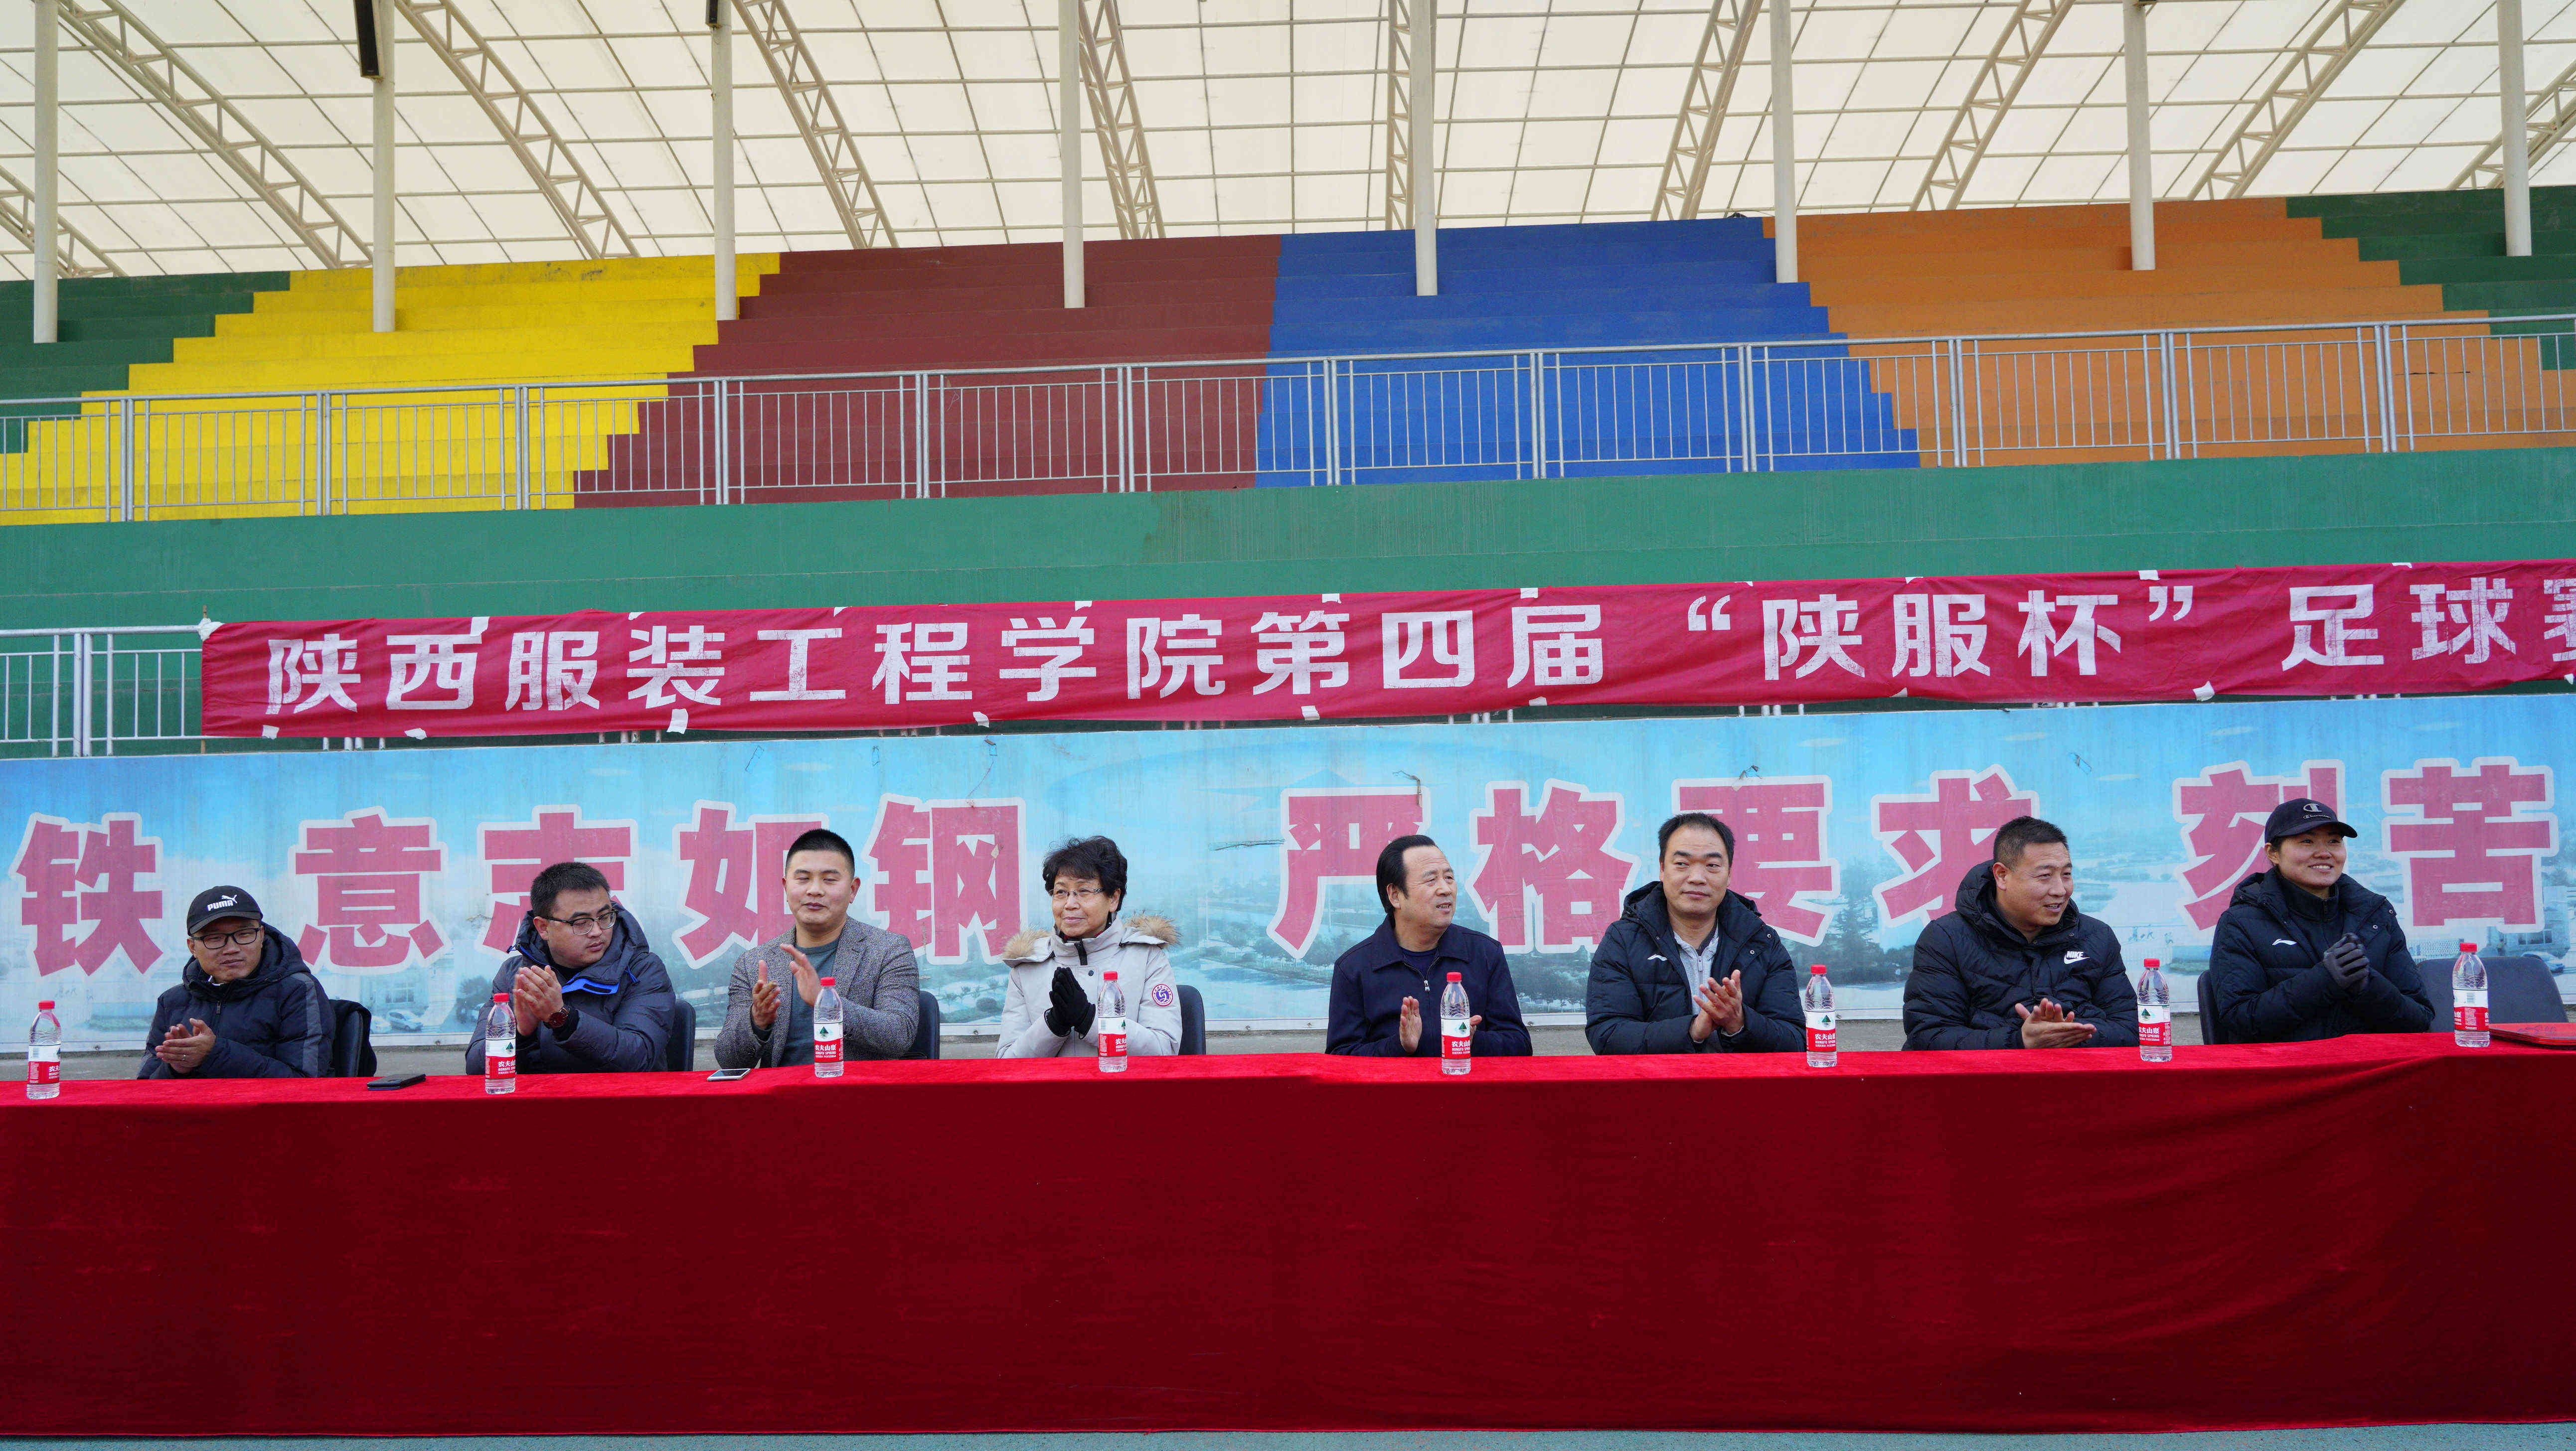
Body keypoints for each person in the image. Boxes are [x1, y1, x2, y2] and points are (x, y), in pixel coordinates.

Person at [2205, 798, 2432, 1042]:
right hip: (2288, 1065)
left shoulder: (2376, 915)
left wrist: (2368, 986)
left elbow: (2419, 1019)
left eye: (2334, 842)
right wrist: (2325, 980)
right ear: (2273, 853)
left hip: (2371, 1063)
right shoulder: (2240, 922)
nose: (2324, 853)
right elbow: (2240, 1019)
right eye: (2307, 841)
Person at [1903, 816, 2138, 1050]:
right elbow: (1929, 1036)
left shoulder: (2096, 936)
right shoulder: (1946, 938)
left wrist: (2068, 1035)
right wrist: (2020, 1041)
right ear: (2002, 876)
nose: (2060, 890)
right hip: (1988, 1073)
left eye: (2066, 874)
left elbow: (2132, 1028)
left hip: (2078, 1070)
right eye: (2045, 876)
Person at [1586, 811, 1803, 1053]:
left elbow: (1795, 1039)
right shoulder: (1623, 940)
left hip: (1737, 1078)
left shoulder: (1762, 942)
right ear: (1662, 869)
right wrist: (1692, 1031)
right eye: (1682, 864)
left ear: (1729, 874)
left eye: (1712, 866)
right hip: (1658, 1078)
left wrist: (1740, 1023)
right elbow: (1607, 1035)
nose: (1697, 878)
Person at [714, 828, 920, 1069]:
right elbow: (728, 1060)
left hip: (857, 1089)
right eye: (803, 879)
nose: (815, 890)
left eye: (829, 880)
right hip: (783, 1091)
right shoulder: (754, 964)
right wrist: (757, 1021)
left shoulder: (889, 950)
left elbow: (900, 1035)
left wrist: (826, 1002)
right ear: (785, 887)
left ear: (853, 890)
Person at [1327, 834, 1531, 1057]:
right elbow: (1340, 1056)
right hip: (1397, 1082)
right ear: (1395, 895)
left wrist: (1472, 1040)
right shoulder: (1354, 968)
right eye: (1431, 880)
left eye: (1449, 878)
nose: (1445, 889)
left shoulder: (1485, 954)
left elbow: (1519, 1044)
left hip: (1464, 1080)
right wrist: (1398, 1046)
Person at [466, 861, 676, 1074]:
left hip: (620, 1095)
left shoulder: (643, 970)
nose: (597, 931)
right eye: (581, 922)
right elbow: (476, 1070)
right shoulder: (516, 974)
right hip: (539, 1095)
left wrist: (563, 1019)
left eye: (605, 917)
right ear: (543, 928)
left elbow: (638, 1057)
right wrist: (520, 1033)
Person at [997, 836, 1182, 1059]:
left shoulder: (1147, 958)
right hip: (1053, 1085)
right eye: (1061, 892)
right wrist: (1053, 1024)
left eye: (1083, 891)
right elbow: (1006, 1062)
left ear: (1113, 899)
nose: (1070, 904)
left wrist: (1089, 1019)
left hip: (1122, 1082)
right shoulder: (1027, 967)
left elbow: (1163, 1050)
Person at [139, 886, 334, 1079]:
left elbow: (305, 1080)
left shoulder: (298, 990)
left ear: (261, 936)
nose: (232, 948)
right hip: (191, 1102)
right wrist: (177, 1068)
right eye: (215, 938)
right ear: (193, 948)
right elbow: (144, 1088)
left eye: (244, 934)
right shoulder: (172, 1002)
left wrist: (214, 1053)